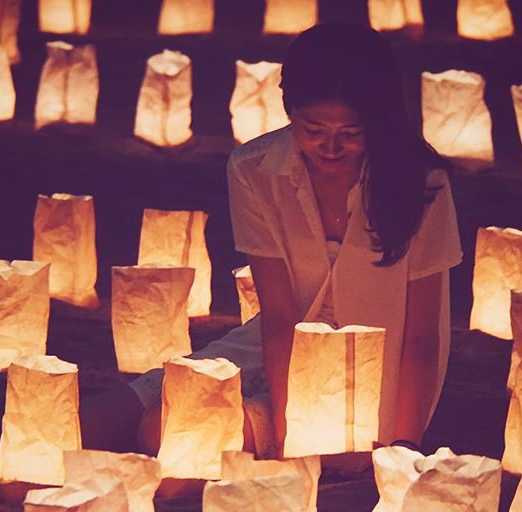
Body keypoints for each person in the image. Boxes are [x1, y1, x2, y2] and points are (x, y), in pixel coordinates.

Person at [81, 22, 462, 465]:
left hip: (371, 377)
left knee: (164, 430)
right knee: (94, 422)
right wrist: (284, 428)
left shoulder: (421, 183)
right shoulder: (255, 169)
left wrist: (405, 445)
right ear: (288, 109)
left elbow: (421, 336)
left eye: (352, 133)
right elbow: (279, 315)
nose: (331, 146)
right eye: (314, 129)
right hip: (272, 346)